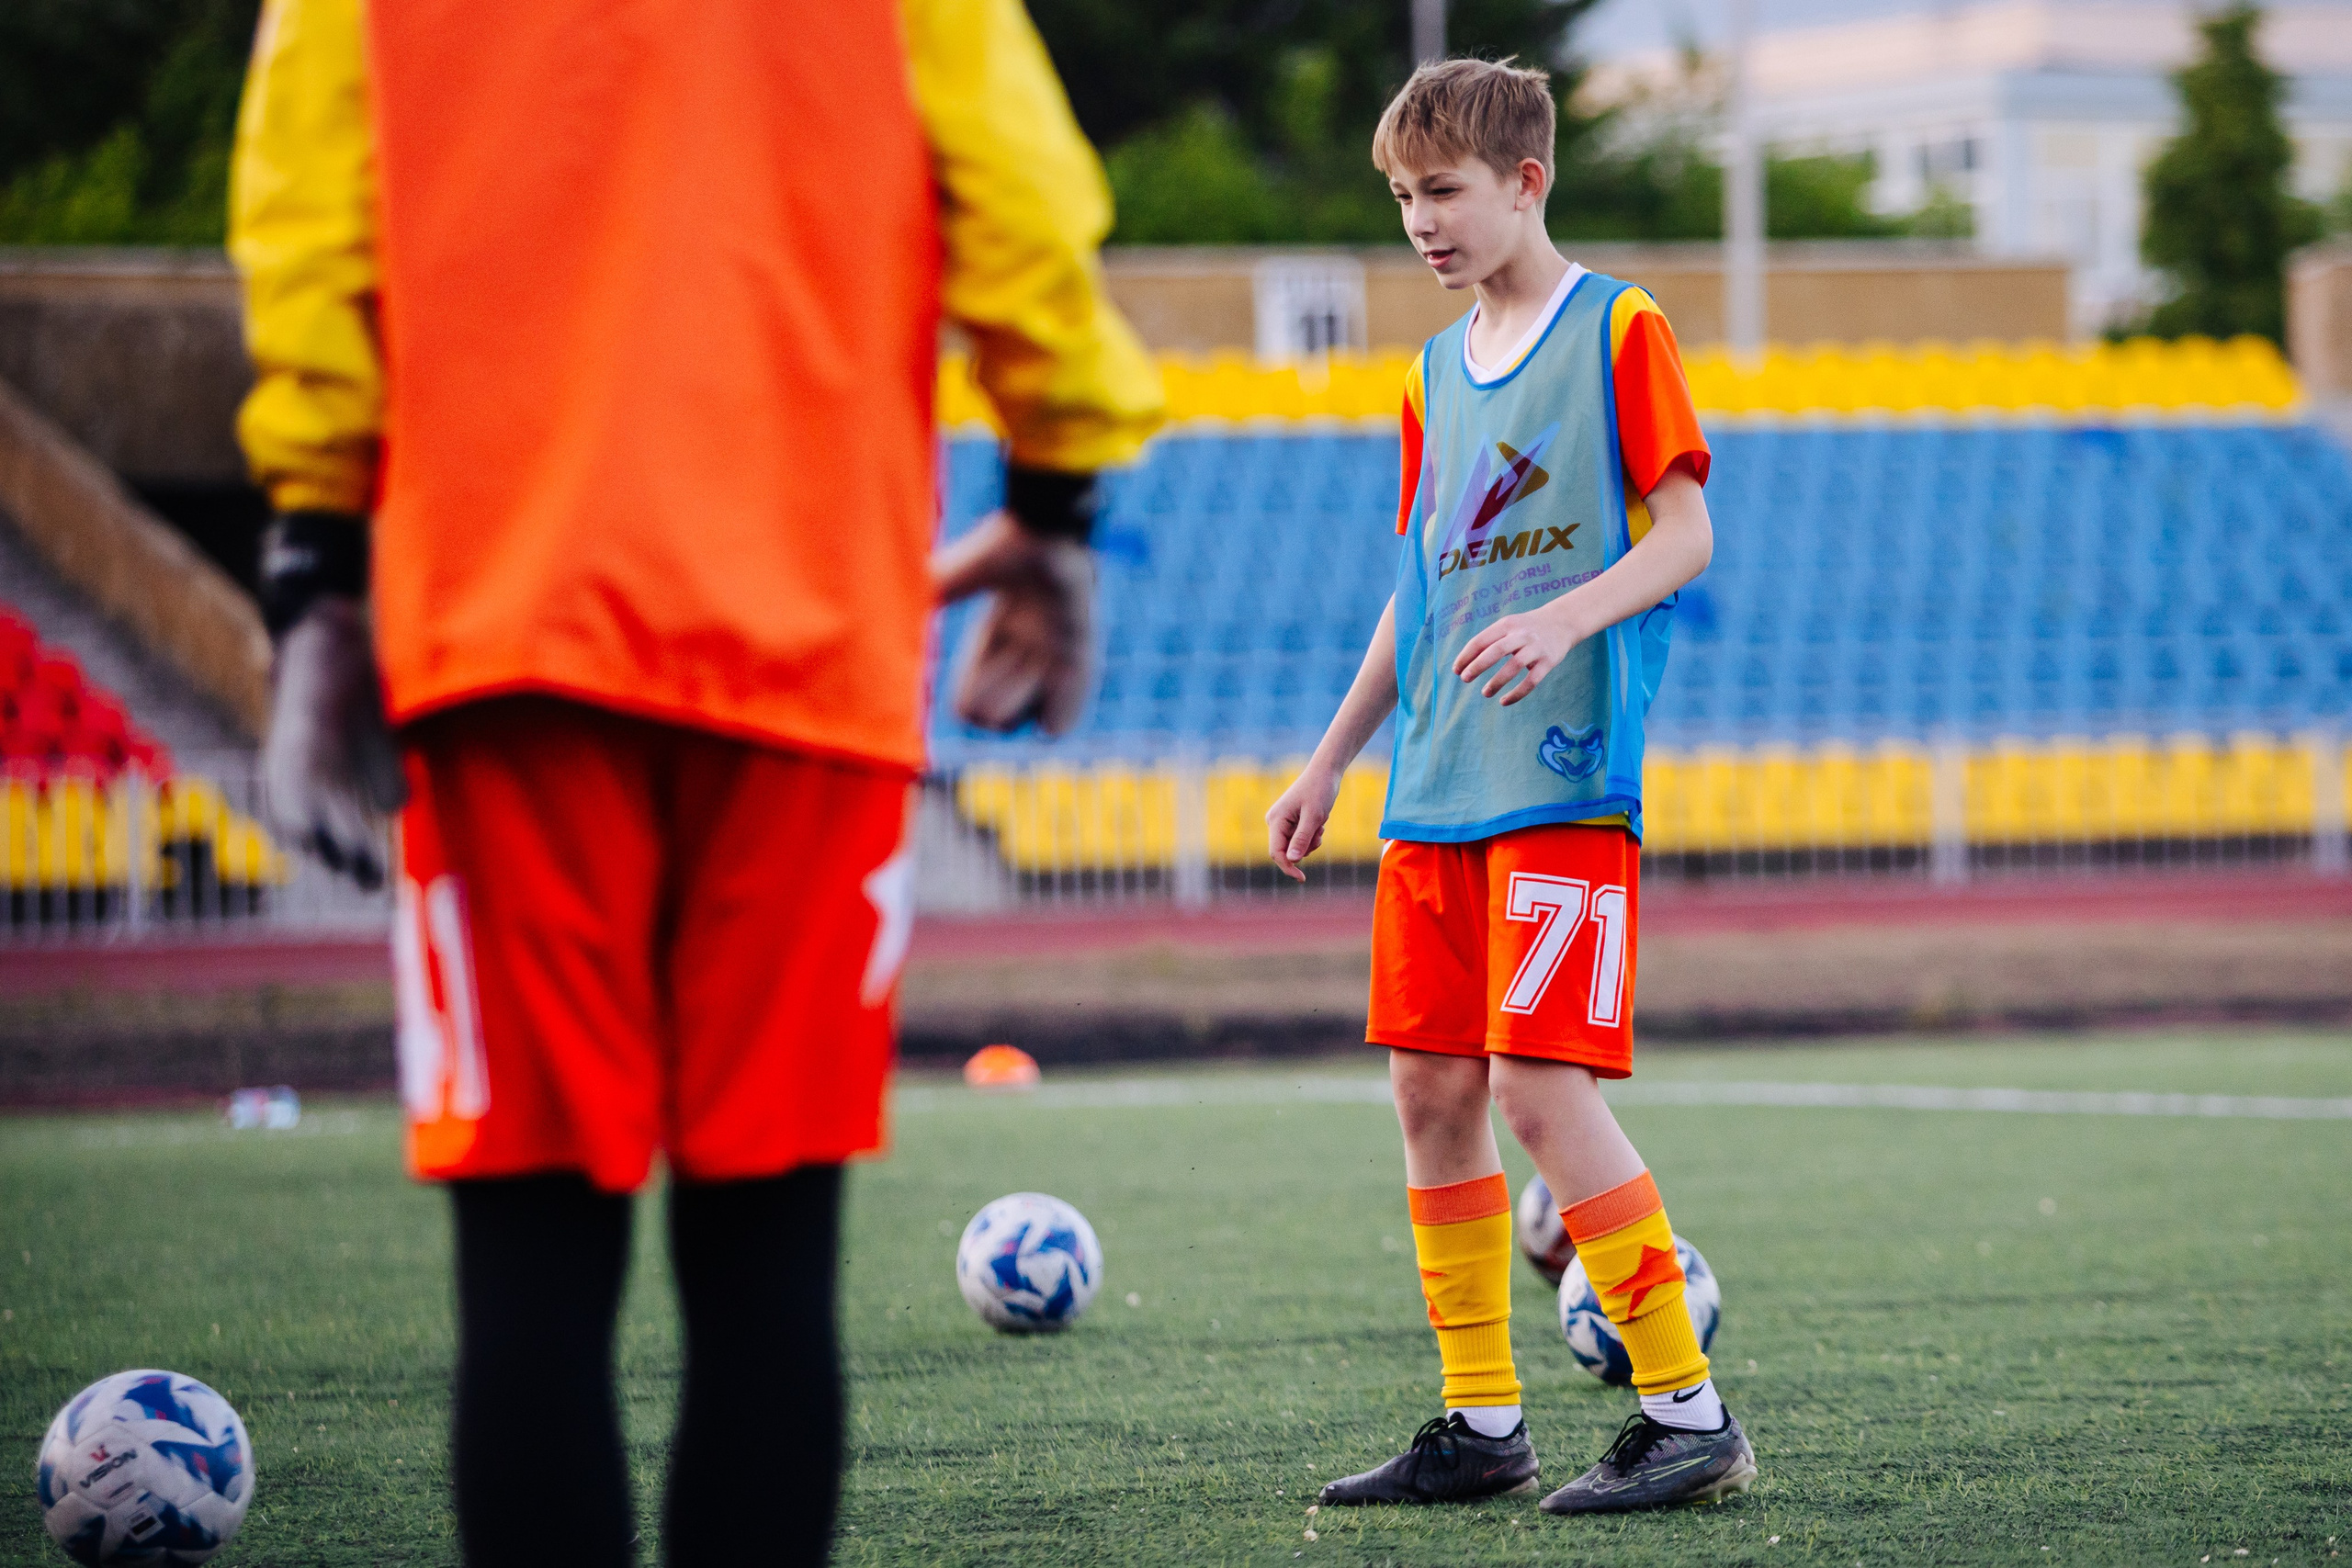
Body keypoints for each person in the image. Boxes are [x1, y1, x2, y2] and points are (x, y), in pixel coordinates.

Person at [227, 0, 1162, 1560]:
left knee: (530, 1266)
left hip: (508, 637)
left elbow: (308, 226)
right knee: (766, 1263)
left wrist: (315, 566)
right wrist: (1058, 496)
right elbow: (1022, 203)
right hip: (805, 643)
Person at [1264, 57, 1754, 1516]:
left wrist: (1565, 618)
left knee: (1540, 1092)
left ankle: (1688, 1414)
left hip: (1560, 783)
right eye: (1402, 198)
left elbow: (1687, 536)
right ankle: (1482, 1424)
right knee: (1430, 1091)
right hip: (1433, 790)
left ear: (1525, 182)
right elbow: (1417, 590)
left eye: (1443, 191)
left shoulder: (1619, 327)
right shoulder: (1429, 374)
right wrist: (1331, 757)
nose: (1421, 221)